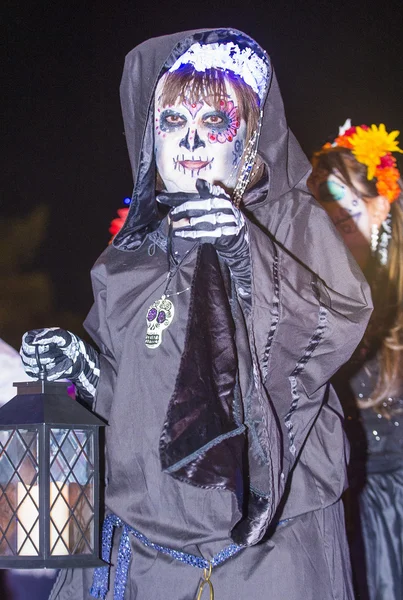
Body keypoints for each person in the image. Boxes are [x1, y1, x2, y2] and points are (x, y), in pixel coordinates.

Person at [20, 30, 372, 600]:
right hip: (146, 562)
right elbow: (135, 395)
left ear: (250, 139)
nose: (191, 141)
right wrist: (82, 372)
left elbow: (327, 330)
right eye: (173, 122)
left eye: (215, 123)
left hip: (264, 565)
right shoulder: (129, 259)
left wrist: (245, 255)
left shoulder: (290, 227)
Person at [309, 119, 403, 600]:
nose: (336, 235)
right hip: (338, 512)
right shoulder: (313, 298)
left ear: (381, 205)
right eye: (325, 224)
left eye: (346, 219)